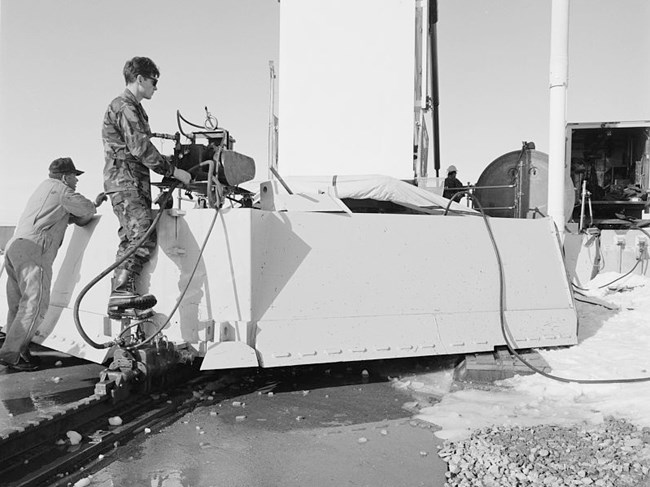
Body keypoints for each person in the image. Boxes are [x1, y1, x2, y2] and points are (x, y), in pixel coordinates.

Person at [102, 56, 192, 319]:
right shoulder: (125, 107)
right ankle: (120, 293)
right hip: (125, 181)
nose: (156, 87)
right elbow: (140, 148)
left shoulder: (133, 108)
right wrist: (174, 171)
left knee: (133, 236)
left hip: (130, 181)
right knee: (141, 234)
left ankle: (122, 297)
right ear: (140, 78)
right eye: (154, 81)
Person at [0, 158, 102, 371]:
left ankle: (18, 350)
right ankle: (10, 355)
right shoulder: (62, 191)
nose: (76, 181)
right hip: (34, 250)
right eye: (74, 176)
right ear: (65, 177)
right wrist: (96, 203)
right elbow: (86, 210)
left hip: (15, 247)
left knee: (17, 305)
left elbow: (64, 217)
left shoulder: (44, 189)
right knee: (35, 304)